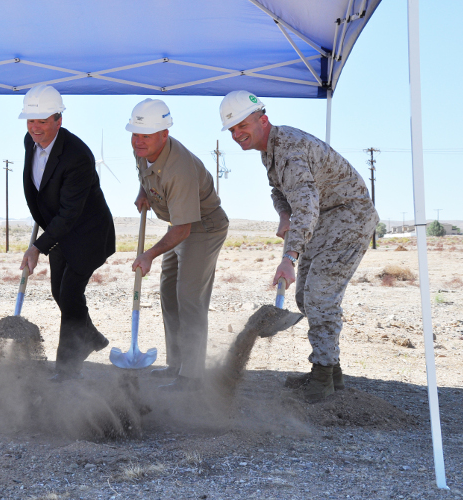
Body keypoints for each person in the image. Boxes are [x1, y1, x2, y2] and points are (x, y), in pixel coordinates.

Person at [220, 90, 379, 403]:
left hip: (349, 216)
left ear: (262, 119)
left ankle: (323, 379)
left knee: (321, 295)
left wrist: (288, 259)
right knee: (306, 296)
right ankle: (330, 372)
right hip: (326, 220)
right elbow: (279, 192)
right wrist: (283, 213)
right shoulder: (270, 150)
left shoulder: (290, 152)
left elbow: (306, 207)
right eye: (232, 130)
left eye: (242, 125)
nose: (238, 134)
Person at [126, 98, 229, 392]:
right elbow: (146, 173)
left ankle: (192, 377)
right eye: (135, 134)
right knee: (168, 292)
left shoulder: (178, 168)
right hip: (179, 224)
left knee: (189, 297)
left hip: (203, 226)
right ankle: (177, 364)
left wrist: (148, 255)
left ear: (164, 135)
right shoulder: (142, 150)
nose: (138, 141)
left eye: (146, 136)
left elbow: (184, 229)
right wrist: (143, 190)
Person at [18, 85, 115, 382]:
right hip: (59, 231)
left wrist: (37, 246)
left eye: (42, 121)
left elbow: (71, 213)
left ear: (58, 119)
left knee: (71, 294)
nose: (35, 128)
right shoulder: (30, 140)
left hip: (87, 234)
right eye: (30, 121)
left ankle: (67, 370)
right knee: (59, 292)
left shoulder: (77, 156)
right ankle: (91, 336)